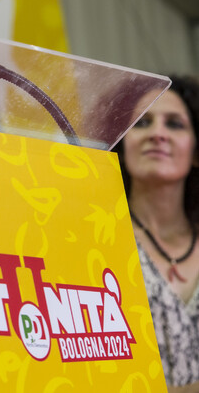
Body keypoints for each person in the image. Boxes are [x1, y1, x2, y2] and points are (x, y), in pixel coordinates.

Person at [114, 75, 199, 392]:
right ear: (122, 144)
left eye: (174, 124)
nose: (157, 133)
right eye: (142, 123)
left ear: (195, 152)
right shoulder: (97, 241)